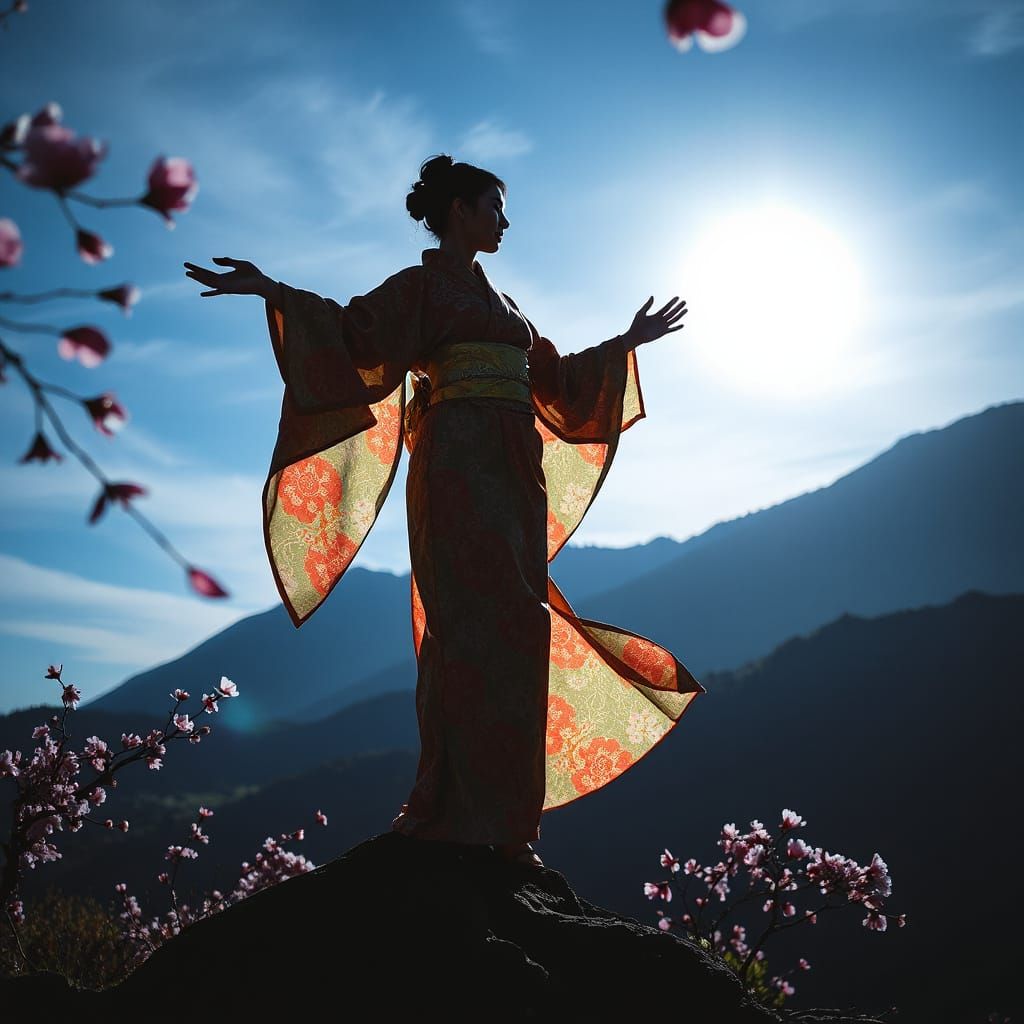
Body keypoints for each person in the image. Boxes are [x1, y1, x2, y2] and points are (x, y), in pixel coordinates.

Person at [183, 153, 705, 871]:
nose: (505, 222)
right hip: (457, 466)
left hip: (515, 474)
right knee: (463, 627)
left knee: (522, 626)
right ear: (459, 210)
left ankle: (512, 825)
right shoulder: (422, 288)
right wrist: (271, 290)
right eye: (494, 207)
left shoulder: (507, 306)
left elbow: (555, 381)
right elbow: (354, 335)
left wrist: (627, 343)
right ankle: (450, 809)